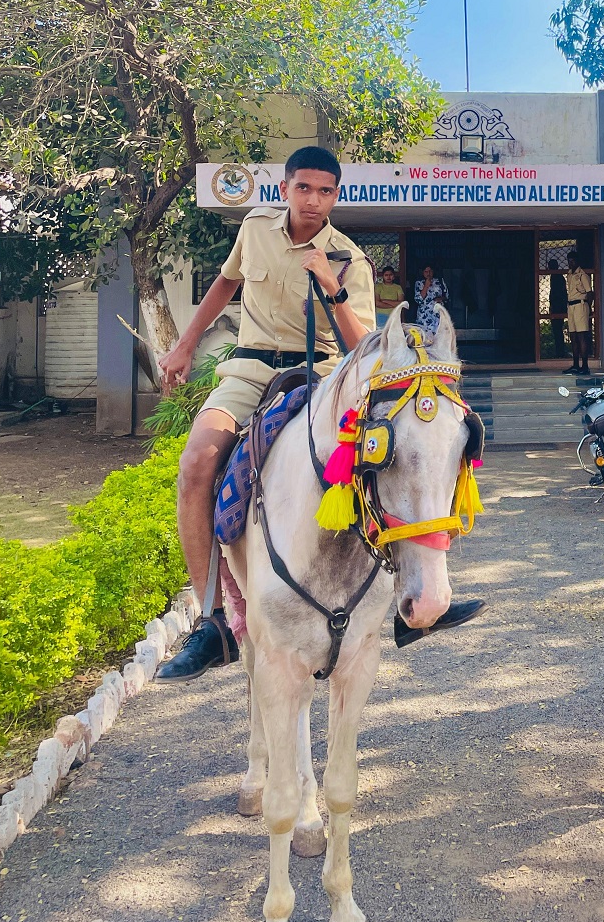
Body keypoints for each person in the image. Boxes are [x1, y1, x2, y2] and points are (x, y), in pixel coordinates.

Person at [155, 147, 481, 681]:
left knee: (401, 454)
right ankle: (213, 622)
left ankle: (416, 598)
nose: (314, 200)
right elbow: (226, 284)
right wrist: (186, 343)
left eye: (325, 191)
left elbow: (364, 346)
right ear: (284, 189)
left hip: (325, 378)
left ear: (336, 195)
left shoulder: (350, 258)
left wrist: (333, 288)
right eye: (303, 188)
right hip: (251, 371)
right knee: (195, 467)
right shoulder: (255, 228)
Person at [563, 250, 595, 375]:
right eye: (569, 261)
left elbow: (589, 292)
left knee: (582, 336)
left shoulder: (582, 275)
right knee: (573, 336)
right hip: (571, 306)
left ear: (577, 261)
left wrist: (589, 307)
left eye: (573, 261)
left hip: (581, 305)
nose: (570, 263)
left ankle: (585, 366)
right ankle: (576, 365)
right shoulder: (570, 275)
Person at [414, 264, 449, 339]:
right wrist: (426, 286)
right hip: (424, 316)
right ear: (423, 272)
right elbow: (418, 299)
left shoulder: (440, 281)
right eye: (426, 271)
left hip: (437, 314)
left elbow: (447, 296)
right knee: (424, 338)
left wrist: (441, 298)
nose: (428, 273)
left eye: (430, 271)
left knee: (438, 337)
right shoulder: (419, 283)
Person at [548, 264, 568, 358]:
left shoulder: (557, 277)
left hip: (558, 307)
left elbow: (557, 294)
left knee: (557, 330)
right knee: (557, 330)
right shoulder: (557, 277)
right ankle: (559, 351)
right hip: (558, 306)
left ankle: (560, 351)